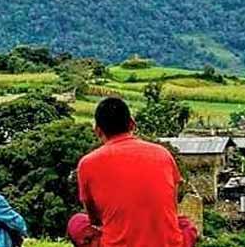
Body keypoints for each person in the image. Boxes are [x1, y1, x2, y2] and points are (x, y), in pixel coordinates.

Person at [68, 96, 199, 247]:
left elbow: (95, 220)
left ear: (98, 131)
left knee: (77, 222)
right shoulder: (163, 154)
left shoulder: (87, 164)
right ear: (132, 124)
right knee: (185, 224)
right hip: (169, 244)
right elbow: (172, 208)